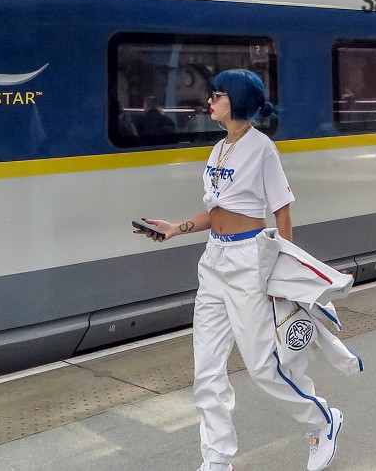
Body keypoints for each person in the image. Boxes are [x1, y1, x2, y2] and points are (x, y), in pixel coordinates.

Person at [139, 69, 344, 470]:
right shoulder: (219, 150)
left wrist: (281, 269)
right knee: (207, 370)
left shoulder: (262, 148)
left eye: (216, 94)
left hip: (250, 260)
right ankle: (216, 460)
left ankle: (322, 421)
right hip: (214, 261)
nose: (210, 101)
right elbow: (217, 212)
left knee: (264, 367)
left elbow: (281, 210)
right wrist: (175, 229)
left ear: (234, 100)